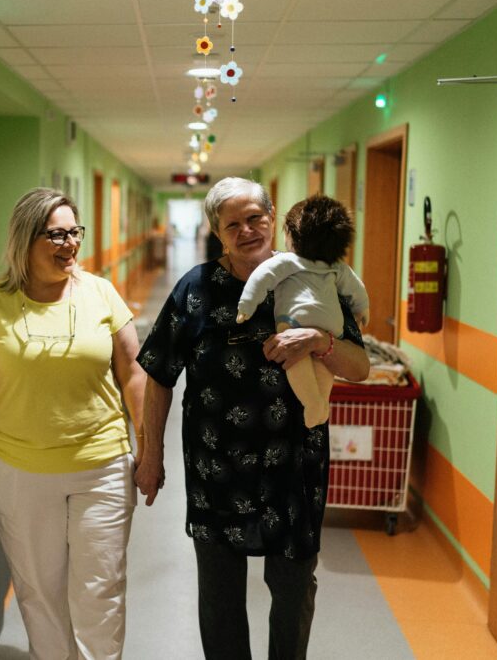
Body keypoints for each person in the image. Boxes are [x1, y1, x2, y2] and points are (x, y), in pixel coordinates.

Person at [134, 177, 369, 660]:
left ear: (272, 217)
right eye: (232, 224)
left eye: (255, 218)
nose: (246, 231)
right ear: (218, 234)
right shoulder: (195, 290)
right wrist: (150, 455)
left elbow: (360, 367)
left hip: (295, 471)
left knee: (293, 591)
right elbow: (159, 374)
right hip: (215, 472)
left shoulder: (317, 277)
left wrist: (319, 343)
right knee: (219, 601)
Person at [0, 187, 145, 660]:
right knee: (39, 595)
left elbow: (134, 374)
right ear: (26, 239)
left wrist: (147, 450)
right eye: (56, 234)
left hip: (102, 467)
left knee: (100, 592)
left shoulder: (101, 293)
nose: (70, 244)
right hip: (20, 472)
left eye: (74, 232)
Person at [236, 194, 369, 427]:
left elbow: (261, 277)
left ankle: (313, 403)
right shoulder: (337, 267)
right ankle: (321, 403)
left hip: (293, 320)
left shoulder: (288, 261)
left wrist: (246, 305)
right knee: (322, 365)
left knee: (295, 361)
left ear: (292, 235)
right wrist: (362, 309)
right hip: (332, 326)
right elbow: (357, 289)